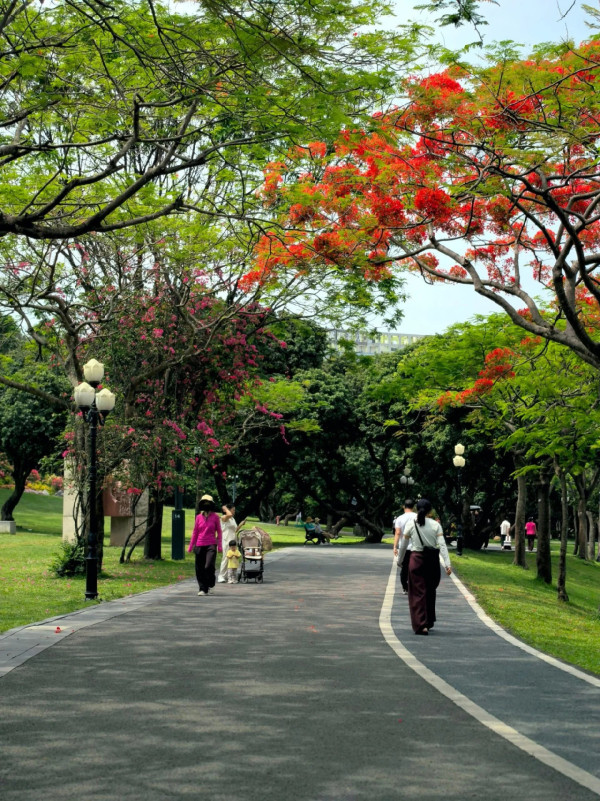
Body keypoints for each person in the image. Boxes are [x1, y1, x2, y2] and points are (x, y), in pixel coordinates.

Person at [397, 498, 452, 635]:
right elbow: (443, 545)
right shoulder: (435, 525)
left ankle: (421, 624)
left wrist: (400, 559)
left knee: (417, 592)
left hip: (416, 559)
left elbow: (404, 545)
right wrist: (447, 564)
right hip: (432, 560)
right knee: (430, 589)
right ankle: (428, 620)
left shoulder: (411, 524)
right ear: (431, 511)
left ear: (417, 509)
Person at [188, 494, 222, 596]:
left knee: (208, 566)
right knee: (199, 568)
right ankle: (202, 588)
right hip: (199, 544)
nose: (206, 505)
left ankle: (211, 584)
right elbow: (195, 532)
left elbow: (219, 532)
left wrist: (219, 545)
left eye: (208, 503)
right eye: (205, 503)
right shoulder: (198, 517)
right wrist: (191, 546)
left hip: (211, 544)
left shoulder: (216, 517)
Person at [393, 498, 417, 593]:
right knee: (415, 568)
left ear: (404, 506)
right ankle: (414, 586)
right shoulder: (418, 517)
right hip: (416, 547)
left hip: (404, 547)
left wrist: (395, 546)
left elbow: (398, 533)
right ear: (414, 507)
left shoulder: (399, 518)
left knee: (404, 568)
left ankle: (405, 587)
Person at [217, 503, 238, 584]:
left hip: (233, 540)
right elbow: (228, 514)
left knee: (232, 558)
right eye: (233, 510)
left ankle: (226, 575)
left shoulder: (232, 519)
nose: (234, 512)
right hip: (226, 540)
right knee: (226, 557)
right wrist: (225, 508)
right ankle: (221, 575)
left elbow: (235, 529)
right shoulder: (224, 517)